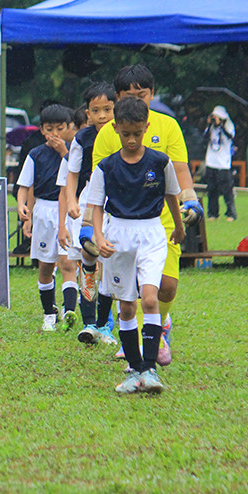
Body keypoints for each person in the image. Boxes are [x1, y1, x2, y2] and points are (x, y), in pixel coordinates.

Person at [91, 65, 202, 367]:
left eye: (142, 95)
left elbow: (179, 171)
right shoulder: (108, 133)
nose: (136, 101)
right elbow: (97, 183)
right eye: (128, 96)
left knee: (166, 286)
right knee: (129, 294)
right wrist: (92, 228)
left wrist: (190, 201)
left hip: (159, 223)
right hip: (121, 224)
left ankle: (160, 327)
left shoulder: (167, 126)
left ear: (152, 94)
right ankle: (137, 344)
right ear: (117, 98)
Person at [88, 97, 185, 394]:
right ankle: (133, 370)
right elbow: (96, 206)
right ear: (115, 128)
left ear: (147, 127)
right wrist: (100, 237)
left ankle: (150, 370)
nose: (131, 140)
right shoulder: (106, 167)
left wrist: (179, 226)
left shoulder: (160, 162)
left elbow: (172, 196)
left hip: (152, 234)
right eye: (126, 133)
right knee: (127, 306)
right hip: (119, 236)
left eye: (137, 133)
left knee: (150, 299)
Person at [57, 82, 118, 346]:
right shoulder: (82, 139)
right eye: (96, 110)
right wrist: (72, 200)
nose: (102, 115)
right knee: (89, 256)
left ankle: (107, 325)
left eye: (107, 109)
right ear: (87, 113)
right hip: (90, 203)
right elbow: (72, 174)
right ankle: (90, 323)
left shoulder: (125, 133)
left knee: (111, 263)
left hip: (118, 203)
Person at [16, 104, 76, 331]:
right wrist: (24, 209)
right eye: (49, 129)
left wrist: (63, 153)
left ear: (69, 128)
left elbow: (78, 175)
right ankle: (49, 313)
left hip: (68, 210)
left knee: (67, 262)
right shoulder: (35, 154)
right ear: (41, 130)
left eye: (60, 129)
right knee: (45, 266)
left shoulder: (74, 153)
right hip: (43, 210)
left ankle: (69, 310)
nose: (55, 134)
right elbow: (25, 185)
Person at [204, 105, 237, 221]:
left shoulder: (229, 126)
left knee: (227, 190)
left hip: (223, 163)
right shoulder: (211, 128)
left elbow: (231, 136)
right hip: (211, 162)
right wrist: (210, 124)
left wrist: (221, 126)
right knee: (212, 189)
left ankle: (231, 213)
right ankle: (213, 213)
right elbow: (204, 138)